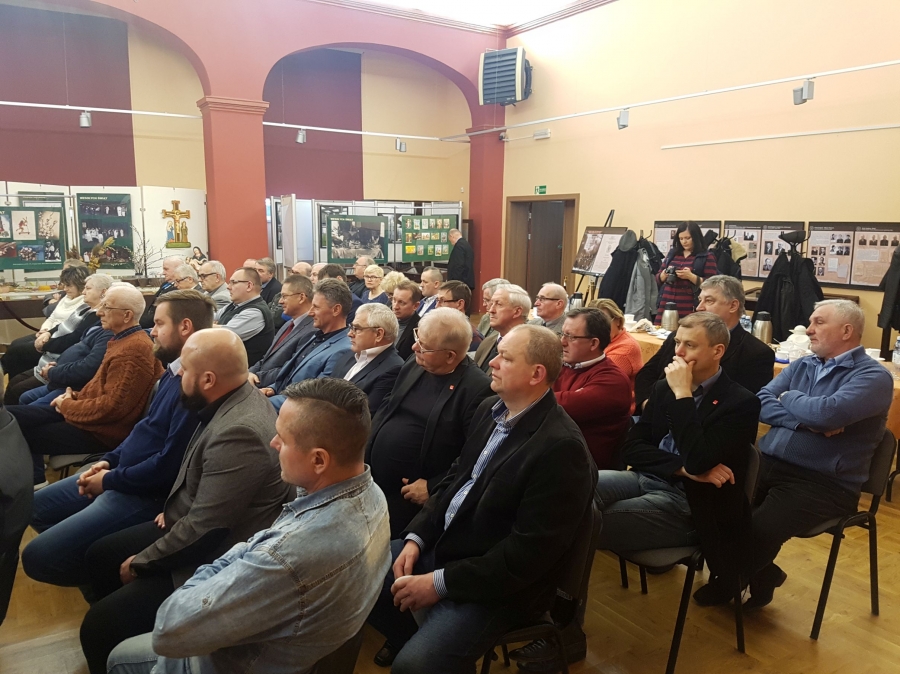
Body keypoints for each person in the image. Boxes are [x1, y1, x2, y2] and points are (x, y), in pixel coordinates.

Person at [104, 378, 391, 674]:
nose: (273, 443)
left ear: (319, 460)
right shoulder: (374, 498)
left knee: (118, 656)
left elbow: (169, 628)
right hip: (298, 651)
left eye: (283, 439)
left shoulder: (286, 557)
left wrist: (242, 554)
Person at [367, 324, 595, 672]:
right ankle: (423, 642)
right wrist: (416, 537)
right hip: (448, 547)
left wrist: (440, 583)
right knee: (358, 579)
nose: (491, 362)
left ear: (536, 374)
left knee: (413, 666)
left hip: (498, 587)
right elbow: (455, 481)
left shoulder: (561, 448)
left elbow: (526, 556)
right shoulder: (492, 409)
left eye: (505, 357)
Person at [78, 329, 292, 674]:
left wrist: (141, 563)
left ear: (208, 379)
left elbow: (208, 530)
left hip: (216, 552)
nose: (177, 374)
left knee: (99, 626)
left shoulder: (241, 432)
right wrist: (175, 504)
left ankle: (129, 642)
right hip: (191, 521)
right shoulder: (223, 399)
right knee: (100, 555)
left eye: (185, 369)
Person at [693, 300, 893, 609]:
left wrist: (788, 396)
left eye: (818, 323)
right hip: (766, 464)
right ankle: (763, 574)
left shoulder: (873, 377)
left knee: (758, 529)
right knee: (708, 506)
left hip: (823, 483)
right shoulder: (803, 365)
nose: (809, 330)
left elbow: (827, 414)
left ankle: (730, 580)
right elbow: (760, 402)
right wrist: (803, 422)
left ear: (847, 331)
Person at [20, 290, 215, 589]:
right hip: (120, 468)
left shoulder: (194, 385)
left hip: (141, 492)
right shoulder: (173, 371)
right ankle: (92, 563)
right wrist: (108, 461)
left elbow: (168, 466)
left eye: (159, 323)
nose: (152, 331)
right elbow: (143, 429)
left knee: (38, 557)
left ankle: (101, 579)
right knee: (33, 508)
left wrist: (109, 479)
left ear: (185, 327)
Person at [594, 312, 760, 563]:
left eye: (690, 345)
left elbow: (698, 460)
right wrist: (681, 469)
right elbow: (631, 448)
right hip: (649, 477)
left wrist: (683, 394)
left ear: (717, 351)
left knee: (591, 521)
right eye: (677, 342)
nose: (678, 352)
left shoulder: (740, 403)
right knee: (572, 489)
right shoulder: (664, 387)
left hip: (690, 503)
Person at [8, 284, 164, 489]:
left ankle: (31, 486)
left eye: (107, 307)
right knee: (9, 416)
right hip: (86, 414)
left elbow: (111, 408)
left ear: (127, 315)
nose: (99, 312)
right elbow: (102, 391)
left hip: (100, 432)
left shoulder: (133, 350)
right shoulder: (122, 340)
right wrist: (73, 397)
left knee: (17, 430)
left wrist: (67, 405)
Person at [366, 308, 492, 542]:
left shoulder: (477, 390)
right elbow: (388, 406)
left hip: (411, 500)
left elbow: (475, 456)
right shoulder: (416, 363)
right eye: (418, 338)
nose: (414, 347)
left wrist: (434, 487)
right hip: (373, 482)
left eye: (424, 346)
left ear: (450, 356)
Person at [635, 275, 776, 411]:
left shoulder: (756, 353)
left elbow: (741, 405)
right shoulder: (679, 336)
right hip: (656, 413)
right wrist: (647, 405)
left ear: (733, 306)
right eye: (699, 300)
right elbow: (646, 374)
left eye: (709, 301)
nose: (699, 307)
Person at [5, 273, 112, 405]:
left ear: (103, 292)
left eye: (88, 288)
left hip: (57, 366)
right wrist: (47, 333)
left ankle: (8, 416)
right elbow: (61, 324)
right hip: (49, 360)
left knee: (17, 389)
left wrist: (45, 345)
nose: (83, 292)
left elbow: (73, 341)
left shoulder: (97, 318)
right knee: (14, 380)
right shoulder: (84, 307)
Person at [554, 308, 633, 470]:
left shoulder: (613, 381)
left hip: (584, 471)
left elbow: (552, 406)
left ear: (594, 343)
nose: (562, 342)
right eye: (562, 334)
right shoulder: (561, 365)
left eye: (571, 336)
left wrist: (529, 392)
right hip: (556, 458)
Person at [261, 279, 352, 411]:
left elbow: (313, 398)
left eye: (316, 307)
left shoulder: (343, 350)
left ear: (336, 309)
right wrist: (272, 388)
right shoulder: (315, 336)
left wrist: (263, 403)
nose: (310, 313)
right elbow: (292, 372)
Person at [1, 265, 88, 379]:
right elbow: (52, 317)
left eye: (69, 286)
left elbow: (66, 328)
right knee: (15, 343)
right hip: (46, 332)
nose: (65, 289)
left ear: (80, 285)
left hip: (55, 338)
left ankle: (6, 374)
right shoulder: (66, 298)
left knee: (16, 351)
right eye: (64, 285)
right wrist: (44, 330)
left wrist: (47, 334)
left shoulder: (83, 303)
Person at [331, 303, 404, 415]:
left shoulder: (393, 369)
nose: (350, 334)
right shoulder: (351, 354)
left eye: (357, 329)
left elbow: (363, 416)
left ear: (378, 334)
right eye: (351, 327)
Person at [248, 274, 317, 388]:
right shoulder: (287, 325)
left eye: (284, 296)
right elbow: (266, 358)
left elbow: (290, 368)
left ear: (301, 297)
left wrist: (256, 378)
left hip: (271, 388)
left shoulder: (312, 330)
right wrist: (249, 373)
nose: (280, 301)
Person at [589, 298, 644, 413]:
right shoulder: (601, 341)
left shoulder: (625, 350)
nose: (599, 328)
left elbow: (597, 385)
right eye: (593, 324)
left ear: (618, 321)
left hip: (615, 410)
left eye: (604, 322)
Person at [656, 221, 719, 319]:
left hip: (689, 306)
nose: (684, 242)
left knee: (686, 328)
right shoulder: (673, 253)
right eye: (681, 238)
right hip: (666, 304)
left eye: (687, 238)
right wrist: (663, 275)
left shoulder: (707, 256)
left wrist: (691, 277)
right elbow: (657, 278)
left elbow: (713, 285)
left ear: (696, 237)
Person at [214, 267, 275, 367]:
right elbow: (211, 316)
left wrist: (210, 325)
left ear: (249, 286)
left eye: (233, 282)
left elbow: (226, 334)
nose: (228, 287)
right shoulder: (234, 305)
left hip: (244, 372)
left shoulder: (255, 312)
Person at [473, 283, 531, 372]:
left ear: (517, 312)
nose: (491, 310)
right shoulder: (487, 342)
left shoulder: (528, 349)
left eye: (499, 304)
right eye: (492, 303)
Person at [436, 280, 482, 352]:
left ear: (460, 304)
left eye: (442, 301)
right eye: (437, 300)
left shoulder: (473, 338)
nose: (436, 306)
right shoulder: (438, 330)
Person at [140, 256, 184, 329]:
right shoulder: (165, 284)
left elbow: (163, 314)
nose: (163, 273)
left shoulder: (179, 289)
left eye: (166, 269)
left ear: (178, 269)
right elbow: (152, 306)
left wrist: (138, 323)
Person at [392, 279, 422, 360]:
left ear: (415, 306)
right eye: (394, 300)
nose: (395, 307)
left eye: (401, 302)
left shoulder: (420, 330)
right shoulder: (385, 321)